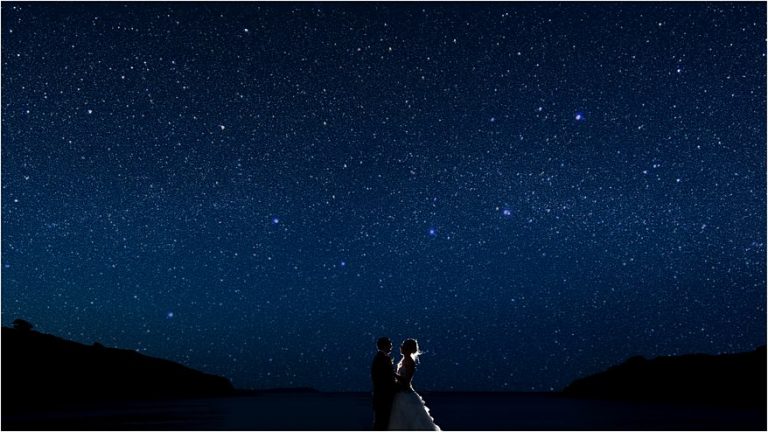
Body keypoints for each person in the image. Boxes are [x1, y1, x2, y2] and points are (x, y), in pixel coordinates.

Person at [388, 339, 441, 431]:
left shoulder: (410, 362)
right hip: (400, 393)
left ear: (407, 349)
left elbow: (406, 381)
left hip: (405, 393)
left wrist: (392, 373)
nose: (401, 348)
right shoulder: (403, 360)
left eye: (403, 346)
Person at [371, 336, 398, 430]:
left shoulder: (380, 358)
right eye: (390, 345)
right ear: (384, 346)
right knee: (382, 422)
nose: (391, 347)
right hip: (383, 397)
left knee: (381, 422)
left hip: (380, 396)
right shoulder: (383, 359)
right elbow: (385, 379)